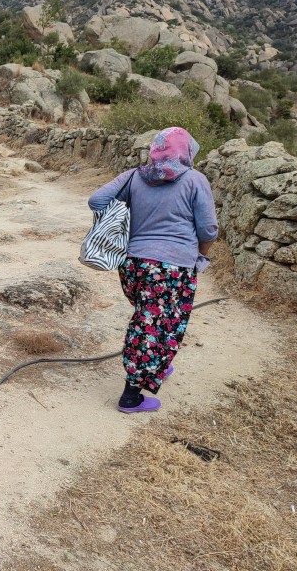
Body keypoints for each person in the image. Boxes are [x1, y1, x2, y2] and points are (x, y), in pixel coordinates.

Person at [87, 127, 217, 413]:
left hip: (133, 264)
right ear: (186, 152)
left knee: (151, 320)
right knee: (152, 325)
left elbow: (96, 200)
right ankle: (131, 396)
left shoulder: (135, 176)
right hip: (173, 268)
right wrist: (201, 255)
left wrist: (124, 220)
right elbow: (208, 229)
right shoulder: (195, 179)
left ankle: (157, 366)